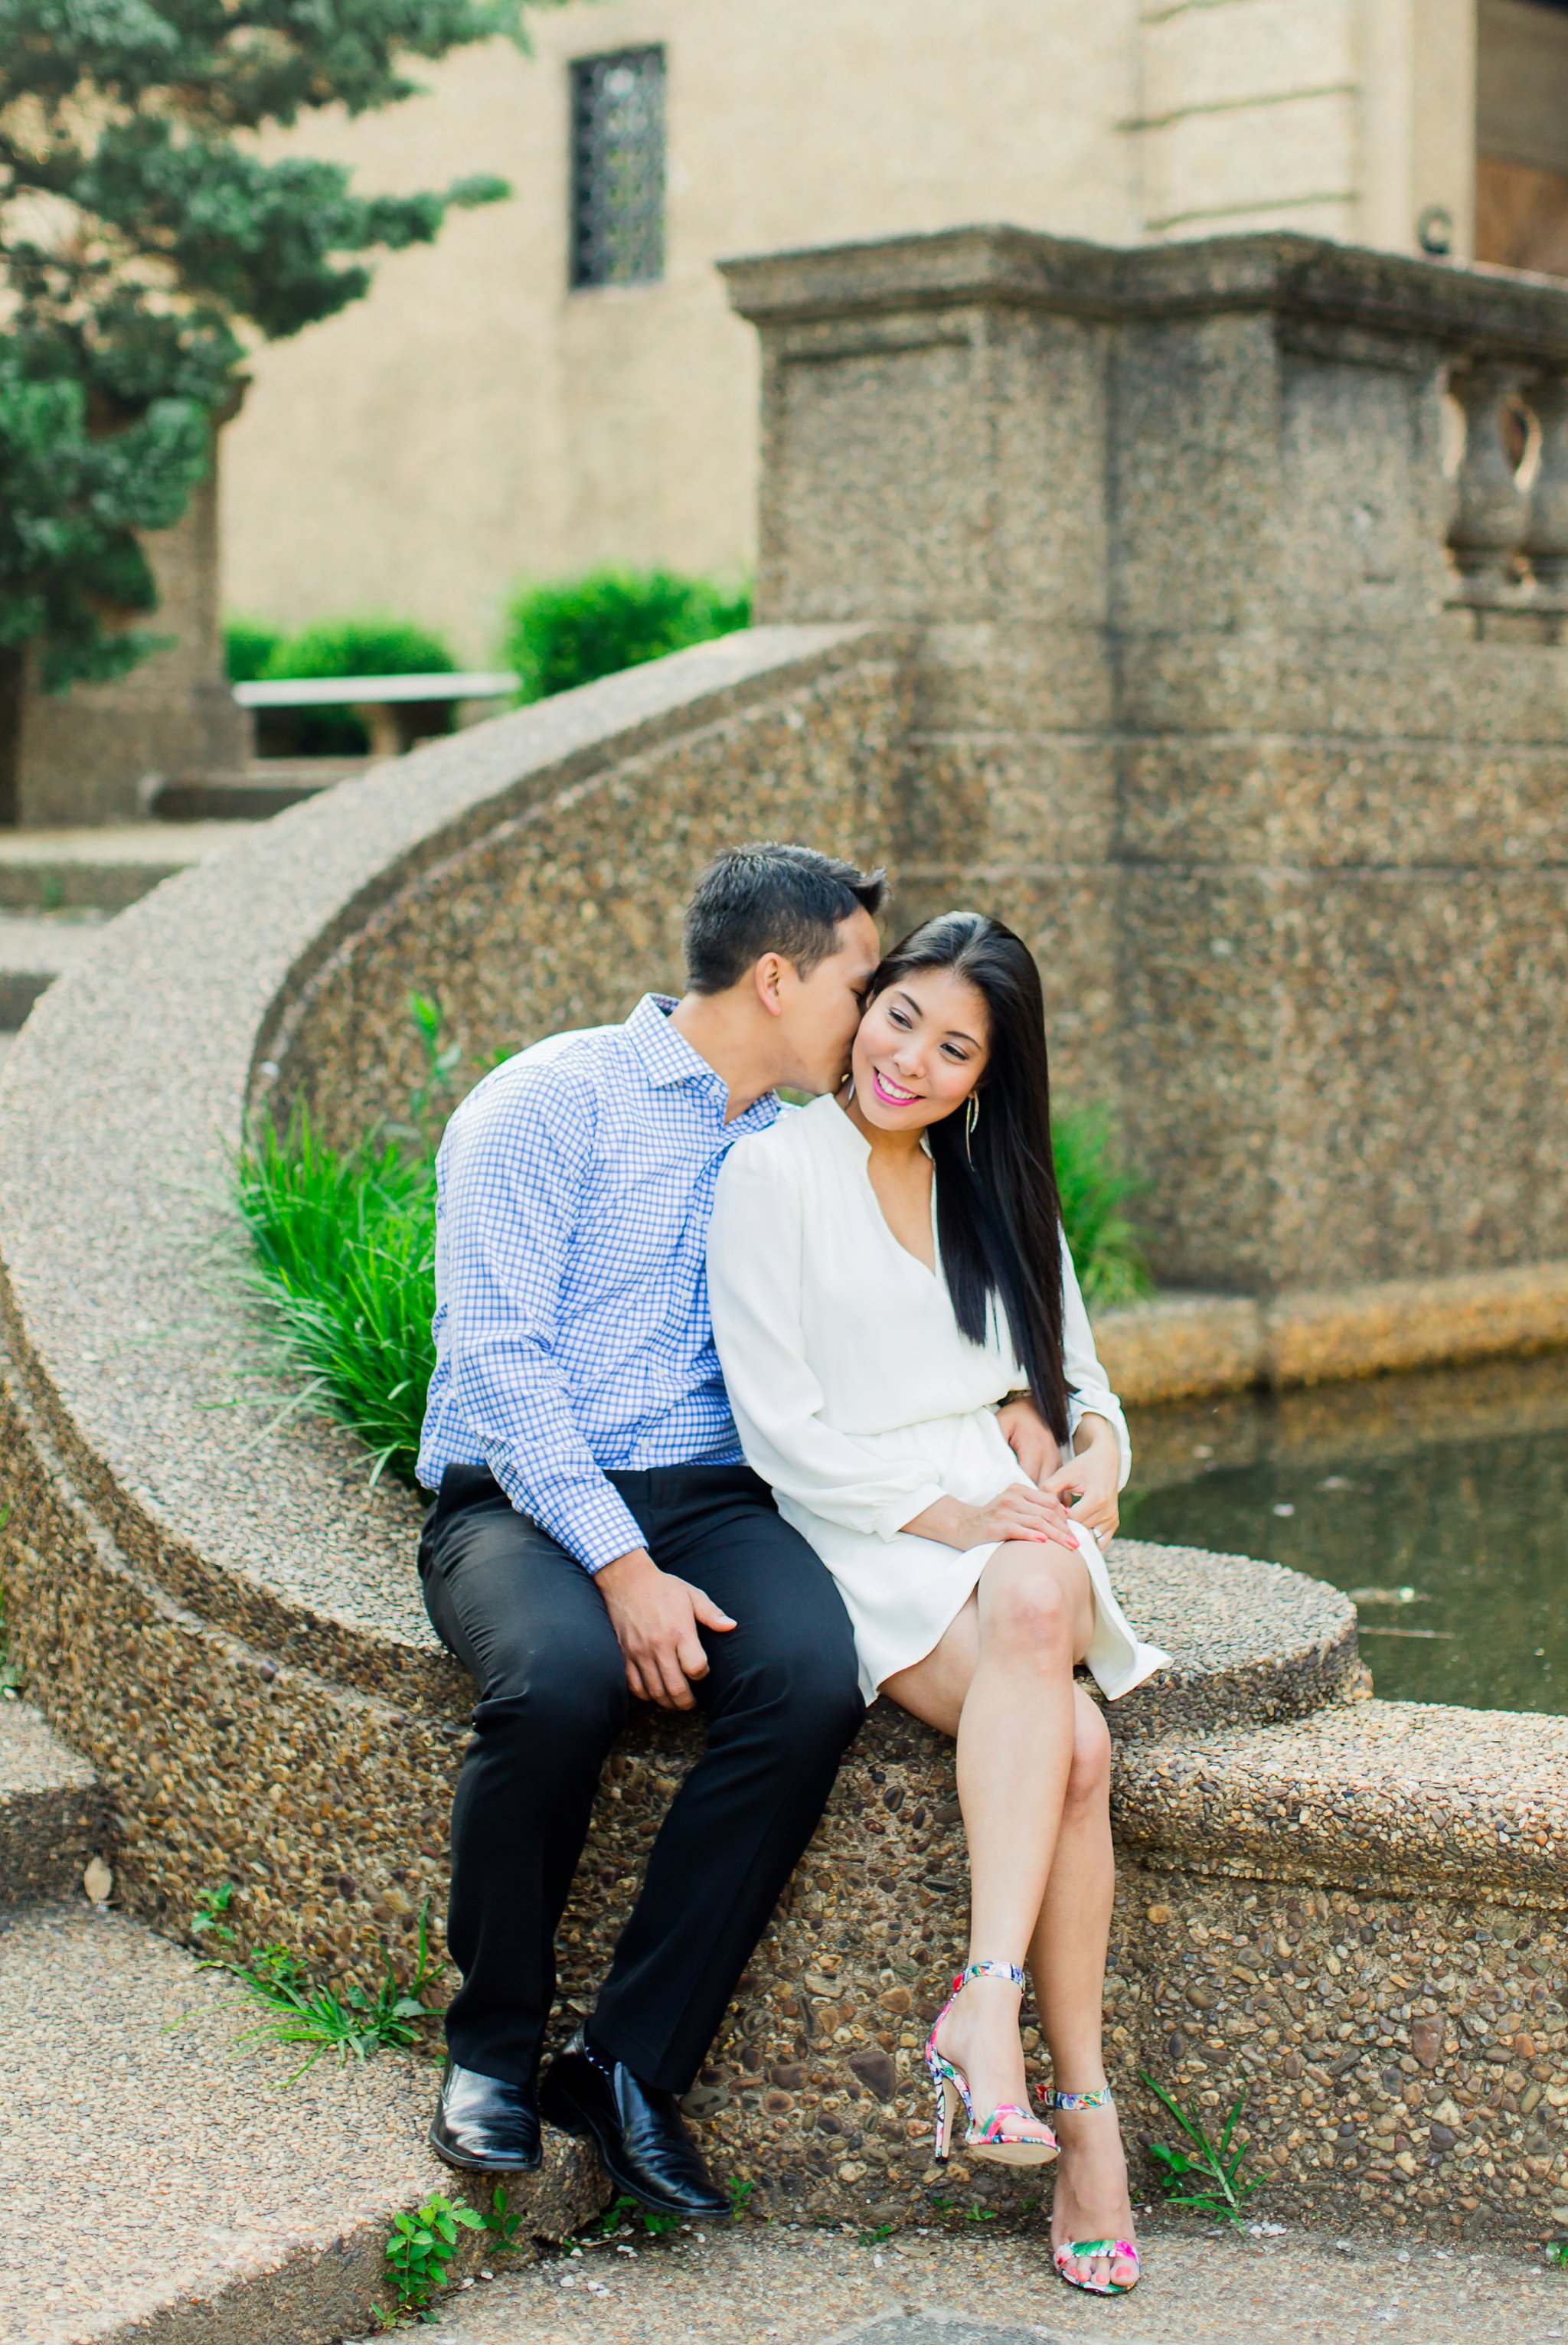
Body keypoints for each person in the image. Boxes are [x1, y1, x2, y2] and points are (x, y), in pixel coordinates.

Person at [414, 842, 890, 2216]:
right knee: (557, 1682)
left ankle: (626, 2064)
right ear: (780, 977)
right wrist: (622, 1569)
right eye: (864, 983)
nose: (877, 1017)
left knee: (811, 1677)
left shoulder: (803, 1143)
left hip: (712, 1495)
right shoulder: (546, 1105)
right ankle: (493, 2050)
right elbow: (500, 1367)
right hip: (518, 1493)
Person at [706, 910, 1167, 2298]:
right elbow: (777, 1427)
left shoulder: (996, 1192)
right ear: (865, 1007)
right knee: (1075, 1748)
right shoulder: (771, 1176)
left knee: (1038, 1595)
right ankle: (1081, 2112)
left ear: (987, 1074)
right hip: (869, 1526)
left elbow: (1089, 1397)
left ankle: (989, 2011)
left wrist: (1091, 1458)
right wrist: (954, 1514)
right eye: (898, 1016)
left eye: (954, 1047)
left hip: (1010, 1525)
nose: (911, 1058)